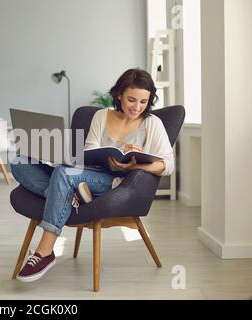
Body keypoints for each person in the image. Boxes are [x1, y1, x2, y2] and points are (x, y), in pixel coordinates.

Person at [10, 68, 174, 282]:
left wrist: (135, 166)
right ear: (119, 95)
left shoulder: (152, 123)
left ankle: (45, 252)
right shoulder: (102, 116)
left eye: (143, 101)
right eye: (131, 99)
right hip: (88, 173)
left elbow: (168, 164)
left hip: (117, 183)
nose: (137, 107)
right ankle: (69, 195)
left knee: (64, 173)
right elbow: (89, 152)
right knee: (20, 162)